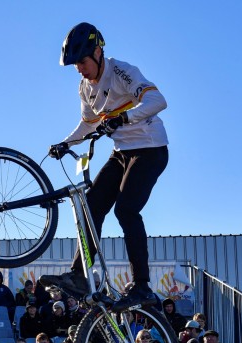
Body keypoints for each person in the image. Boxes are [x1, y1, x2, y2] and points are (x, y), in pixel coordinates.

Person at [40, 23, 168, 310]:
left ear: (98, 52)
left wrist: (125, 118)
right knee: (92, 205)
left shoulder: (122, 71)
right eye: (74, 65)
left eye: (82, 62)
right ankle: (79, 275)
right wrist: (66, 143)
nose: (80, 69)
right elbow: (89, 123)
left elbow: (158, 100)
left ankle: (143, 286)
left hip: (150, 150)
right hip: (121, 153)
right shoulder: (85, 87)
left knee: (126, 209)